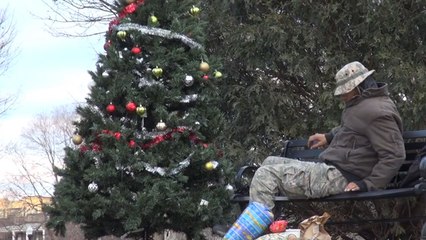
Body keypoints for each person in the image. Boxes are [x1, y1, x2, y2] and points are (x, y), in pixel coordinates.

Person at [223, 61, 406, 240]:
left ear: (358, 86)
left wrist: (368, 183)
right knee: (270, 161)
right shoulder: (364, 104)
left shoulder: (378, 111)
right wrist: (328, 136)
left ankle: (245, 236)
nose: (341, 96)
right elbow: (353, 130)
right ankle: (268, 230)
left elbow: (395, 154)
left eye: (345, 91)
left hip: (342, 176)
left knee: (265, 175)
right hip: (336, 170)